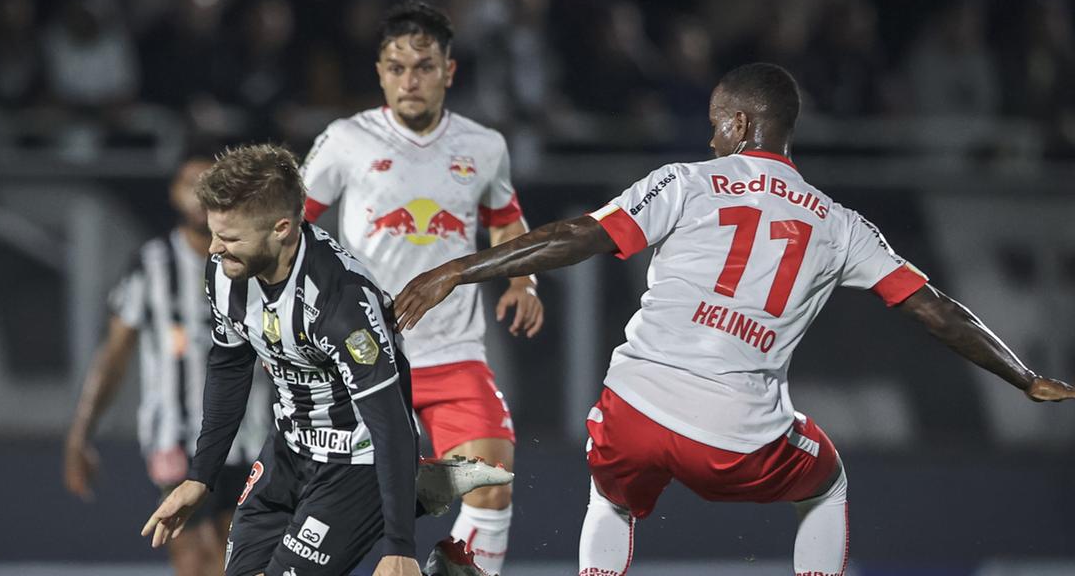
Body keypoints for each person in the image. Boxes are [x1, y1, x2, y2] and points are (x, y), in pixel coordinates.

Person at [394, 63, 1075, 575]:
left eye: (719, 120)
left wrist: (459, 268)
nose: (712, 134)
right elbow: (935, 311)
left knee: (612, 494)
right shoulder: (841, 225)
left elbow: (576, 236)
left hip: (633, 407)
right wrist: (1023, 376)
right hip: (737, 434)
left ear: (743, 124)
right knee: (827, 479)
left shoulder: (684, 182)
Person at [140, 144, 507, 576]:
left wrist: (400, 546)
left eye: (231, 238)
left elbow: (390, 421)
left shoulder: (341, 304)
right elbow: (229, 368)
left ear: (282, 229)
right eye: (215, 232)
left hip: (356, 462)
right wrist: (200, 477)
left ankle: (420, 520)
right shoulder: (227, 272)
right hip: (287, 450)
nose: (216, 249)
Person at [302, 1, 542, 572]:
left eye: (424, 66)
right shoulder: (345, 140)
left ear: (449, 72)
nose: (410, 80)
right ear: (380, 72)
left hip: (453, 352)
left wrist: (523, 279)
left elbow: (506, 217)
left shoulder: (483, 146)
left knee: (491, 485)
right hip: (361, 354)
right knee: (334, 519)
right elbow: (292, 226)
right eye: (396, 67)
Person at [64, 155, 270, 576]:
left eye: (210, 183)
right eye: (190, 183)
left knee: (236, 554)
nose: (199, 193)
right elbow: (114, 354)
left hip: (250, 431)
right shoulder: (152, 265)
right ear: (174, 193)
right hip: (173, 435)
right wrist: (80, 433)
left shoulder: (258, 263)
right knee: (192, 555)